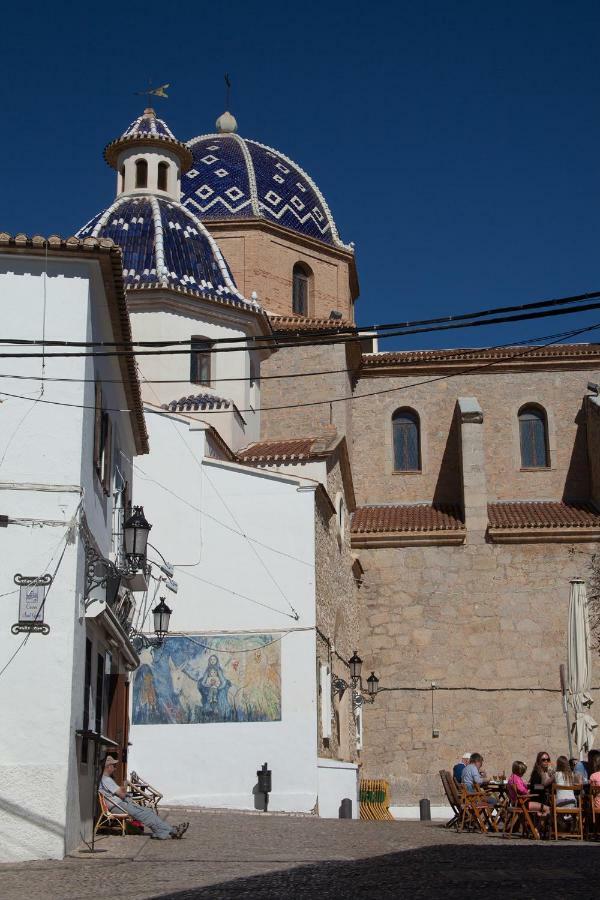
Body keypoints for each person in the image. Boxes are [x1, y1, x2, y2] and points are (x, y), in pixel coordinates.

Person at [99, 756, 189, 840]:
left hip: (119, 805)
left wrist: (123, 791)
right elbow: (122, 794)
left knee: (147, 812)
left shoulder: (105, 779)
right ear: (108, 767)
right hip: (118, 806)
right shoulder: (106, 780)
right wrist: (124, 787)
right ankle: (169, 831)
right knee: (145, 814)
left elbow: (119, 793)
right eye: (114, 766)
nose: (115, 768)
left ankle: (168, 830)